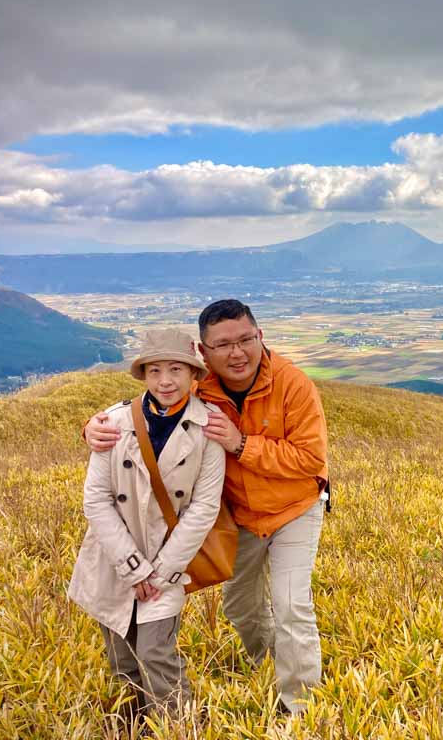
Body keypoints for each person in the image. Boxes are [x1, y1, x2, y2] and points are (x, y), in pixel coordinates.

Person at [84, 300, 329, 715]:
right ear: (204, 353)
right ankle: (269, 662)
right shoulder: (202, 386)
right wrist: (90, 427)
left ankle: (300, 707)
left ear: (260, 337)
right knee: (241, 607)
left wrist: (242, 445)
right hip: (240, 515)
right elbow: (152, 403)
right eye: (223, 345)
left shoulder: (294, 384)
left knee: (291, 606)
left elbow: (311, 460)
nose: (237, 353)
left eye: (245, 340)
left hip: (293, 509)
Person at [68, 328, 226, 723]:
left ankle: (180, 726)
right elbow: (97, 500)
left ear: (193, 375)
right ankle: (134, 726)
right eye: (155, 370)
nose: (166, 381)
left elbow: (204, 507)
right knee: (122, 656)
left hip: (168, 561)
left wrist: (159, 572)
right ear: (144, 375)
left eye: (176, 369)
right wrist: (132, 566)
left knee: (156, 653)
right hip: (115, 556)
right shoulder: (114, 422)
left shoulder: (208, 428)